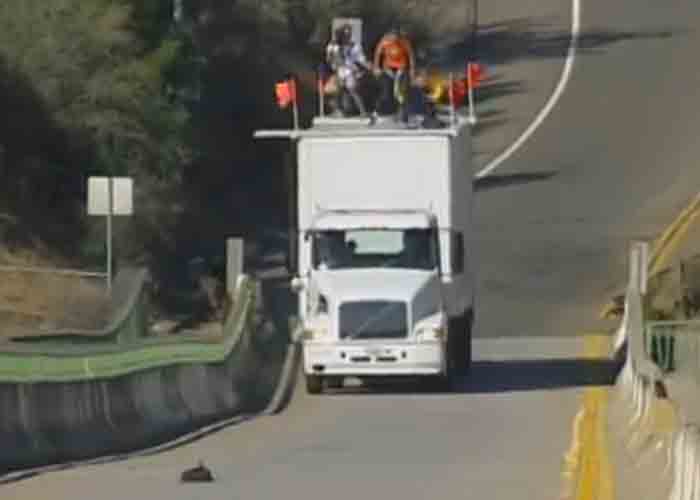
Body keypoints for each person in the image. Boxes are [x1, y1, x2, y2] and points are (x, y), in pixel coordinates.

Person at [325, 23, 371, 116]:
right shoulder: (333, 46)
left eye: (349, 33)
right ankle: (338, 110)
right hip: (338, 70)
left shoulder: (353, 45)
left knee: (353, 90)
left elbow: (359, 58)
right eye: (346, 33)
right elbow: (329, 58)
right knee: (337, 91)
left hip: (349, 70)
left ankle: (362, 111)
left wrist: (365, 65)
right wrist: (333, 64)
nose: (348, 36)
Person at [372, 26, 415, 118]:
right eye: (393, 37)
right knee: (386, 93)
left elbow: (410, 56)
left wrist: (412, 69)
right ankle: (376, 112)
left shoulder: (404, 42)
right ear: (389, 36)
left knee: (399, 93)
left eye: (396, 37)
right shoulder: (385, 41)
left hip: (401, 68)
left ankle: (403, 114)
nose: (394, 39)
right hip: (388, 68)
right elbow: (377, 54)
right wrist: (376, 67)